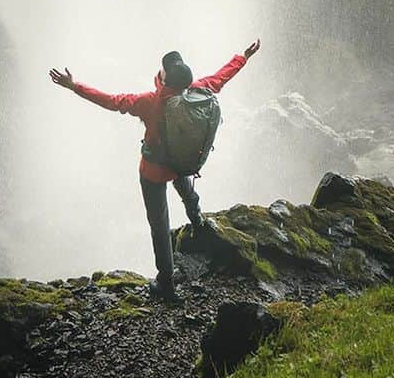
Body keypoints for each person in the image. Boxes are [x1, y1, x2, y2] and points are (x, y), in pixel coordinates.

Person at [49, 40, 261, 302]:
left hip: (153, 171)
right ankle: (198, 223)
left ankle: (166, 283)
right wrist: (244, 57)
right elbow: (221, 77)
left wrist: (74, 86)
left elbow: (111, 101)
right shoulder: (196, 91)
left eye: (161, 71)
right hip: (180, 163)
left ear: (164, 78)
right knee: (186, 191)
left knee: (160, 225)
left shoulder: (150, 102)